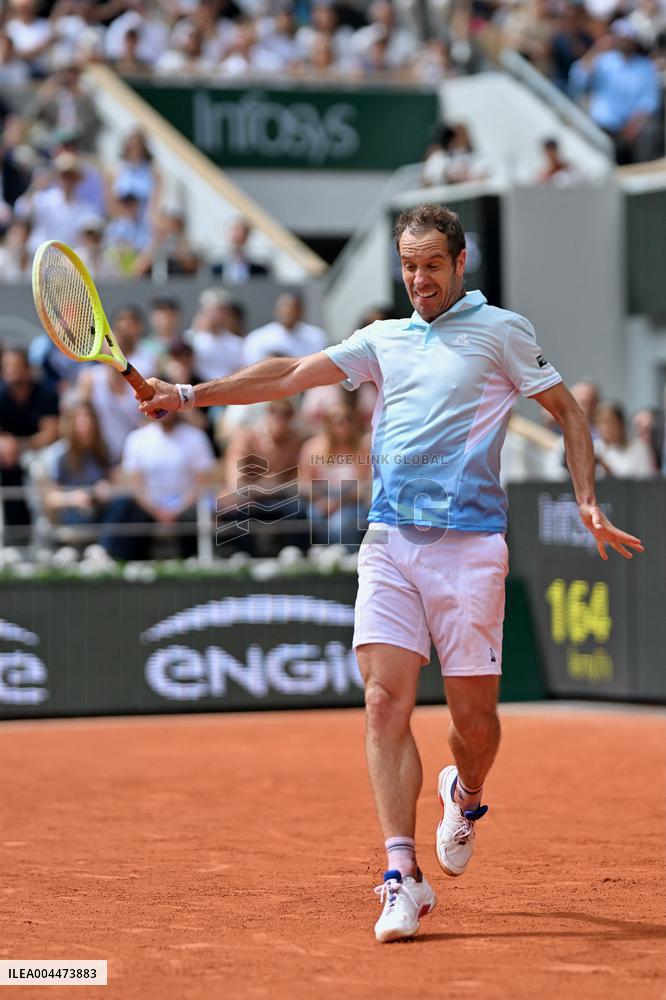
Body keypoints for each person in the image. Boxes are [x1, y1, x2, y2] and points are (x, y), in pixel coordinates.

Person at [138, 202, 643, 943]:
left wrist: (588, 501)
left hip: (471, 549)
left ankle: (464, 794)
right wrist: (189, 394)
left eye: (432, 264)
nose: (419, 279)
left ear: (460, 263)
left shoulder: (502, 331)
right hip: (390, 544)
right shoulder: (384, 338)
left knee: (474, 726)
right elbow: (289, 375)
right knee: (383, 703)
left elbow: (568, 413)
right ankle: (401, 875)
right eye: (408, 266)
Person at [242, 292, 327, 367]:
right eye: (284, 307)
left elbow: (320, 366)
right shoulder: (256, 337)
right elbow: (251, 366)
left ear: (301, 310)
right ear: (276, 310)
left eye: (294, 308)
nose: (288, 311)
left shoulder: (317, 335)